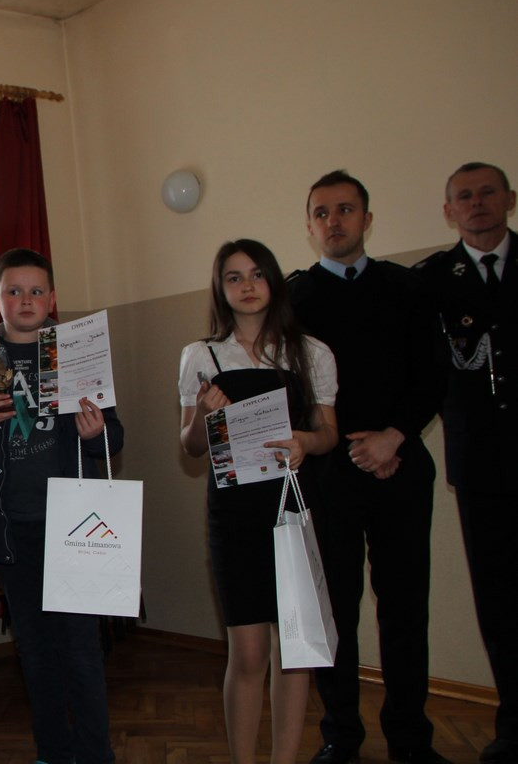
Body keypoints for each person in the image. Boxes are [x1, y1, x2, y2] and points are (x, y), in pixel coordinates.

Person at [289, 171, 448, 764]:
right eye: (322, 212)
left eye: (346, 209)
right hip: (327, 477)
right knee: (334, 612)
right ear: (309, 226)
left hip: (401, 467)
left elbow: (432, 374)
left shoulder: (407, 288)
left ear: (367, 219)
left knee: (405, 609)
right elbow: (290, 389)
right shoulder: (293, 300)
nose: (334, 221)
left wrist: (392, 439)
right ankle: (341, 736)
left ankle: (410, 739)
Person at [0, 247, 124, 764]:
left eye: (36, 291)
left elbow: (114, 437)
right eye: (13, 291)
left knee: (80, 648)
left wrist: (97, 433)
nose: (26, 300)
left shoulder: (79, 354)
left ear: (52, 298)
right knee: (34, 651)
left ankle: (95, 754)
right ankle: (53, 751)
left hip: (74, 527)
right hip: (13, 529)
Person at [179, 239, 338, 764]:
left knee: (293, 651)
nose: (246, 286)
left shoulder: (311, 352)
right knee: (247, 654)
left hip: (292, 508)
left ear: (273, 281)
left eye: (256, 274)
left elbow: (328, 434)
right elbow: (190, 447)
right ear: (220, 289)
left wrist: (305, 441)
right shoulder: (200, 356)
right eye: (234, 277)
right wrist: (204, 415)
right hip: (233, 515)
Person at [413, 162, 518, 764]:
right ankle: (514, 725)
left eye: (486, 193)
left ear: (509, 199)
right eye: (463, 197)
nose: (477, 203)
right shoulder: (431, 280)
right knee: (499, 602)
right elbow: (418, 371)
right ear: (448, 211)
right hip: (481, 466)